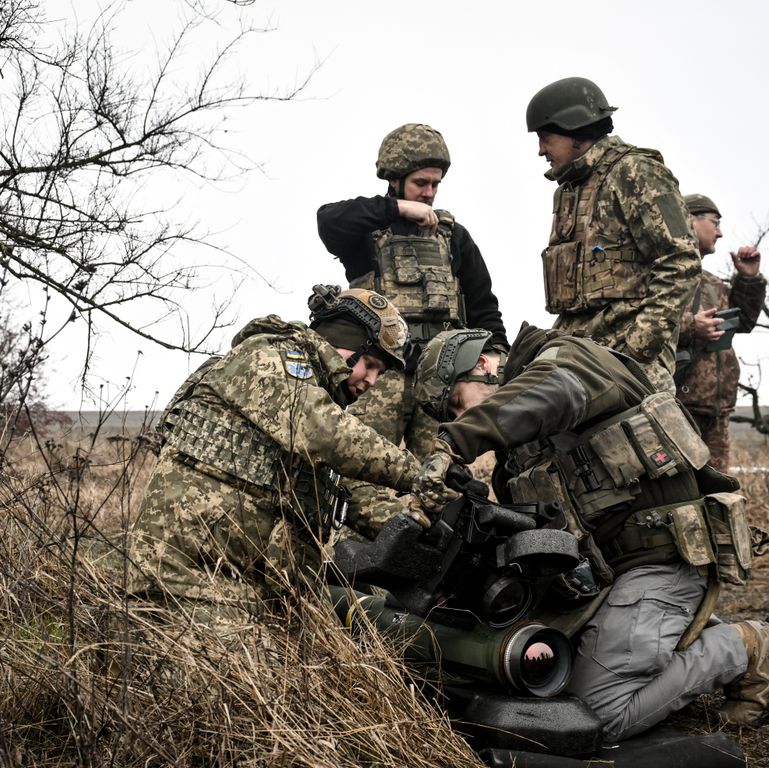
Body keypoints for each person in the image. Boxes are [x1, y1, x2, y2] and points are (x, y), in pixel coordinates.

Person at [411, 323, 769, 740]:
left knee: (596, 714)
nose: (464, 417)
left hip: (659, 562)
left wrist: (456, 440)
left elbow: (552, 392)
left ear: (482, 365)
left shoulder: (570, 361)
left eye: (459, 405)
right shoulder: (516, 456)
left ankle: (741, 646)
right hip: (605, 578)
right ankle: (677, 634)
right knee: (535, 675)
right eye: (456, 417)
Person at [124, 287, 426, 620]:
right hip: (184, 583)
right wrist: (420, 475)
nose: (371, 380)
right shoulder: (269, 357)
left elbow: (353, 494)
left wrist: (423, 534)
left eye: (380, 374)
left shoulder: (310, 395)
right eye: (369, 364)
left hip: (246, 588)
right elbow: (324, 433)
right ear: (339, 340)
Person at [316, 123, 509, 452]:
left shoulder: (454, 237)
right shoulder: (367, 234)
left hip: (442, 382)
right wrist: (397, 209)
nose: (430, 193)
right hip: (379, 377)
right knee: (362, 474)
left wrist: (496, 361)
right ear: (395, 179)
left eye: (435, 184)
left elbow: (484, 306)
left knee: (444, 482)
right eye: (421, 183)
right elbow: (328, 220)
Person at [525, 77, 701, 393]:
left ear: (574, 131)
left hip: (630, 369)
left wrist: (638, 347)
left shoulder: (637, 172)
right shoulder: (569, 189)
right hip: (579, 359)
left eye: (545, 137)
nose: (540, 150)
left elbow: (681, 261)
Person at [342, 327, 502, 539]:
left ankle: (437, 544)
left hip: (445, 372)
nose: (463, 415)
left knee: (441, 479)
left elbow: (482, 306)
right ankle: (366, 554)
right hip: (389, 369)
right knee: (358, 465)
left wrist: (496, 354)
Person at [676, 194, 767, 471]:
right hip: (675, 410)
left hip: (714, 412)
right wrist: (691, 327)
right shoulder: (660, 276)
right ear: (689, 222)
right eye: (714, 223)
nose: (720, 232)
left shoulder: (711, 284)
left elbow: (744, 321)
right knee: (676, 495)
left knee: (718, 498)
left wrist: (748, 279)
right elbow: (641, 325)